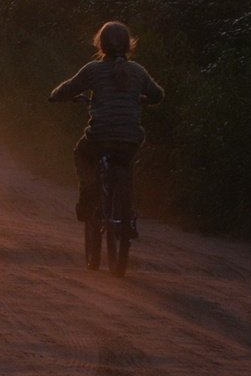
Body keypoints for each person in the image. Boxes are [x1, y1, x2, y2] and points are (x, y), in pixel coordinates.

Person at [48, 21, 164, 234]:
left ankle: (89, 190)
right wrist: (142, 99)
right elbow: (158, 95)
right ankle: (126, 214)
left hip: (100, 135)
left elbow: (69, 88)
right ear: (129, 44)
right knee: (127, 163)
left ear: (100, 44)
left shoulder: (93, 70)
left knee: (81, 154)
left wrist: (55, 96)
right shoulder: (137, 71)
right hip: (131, 136)